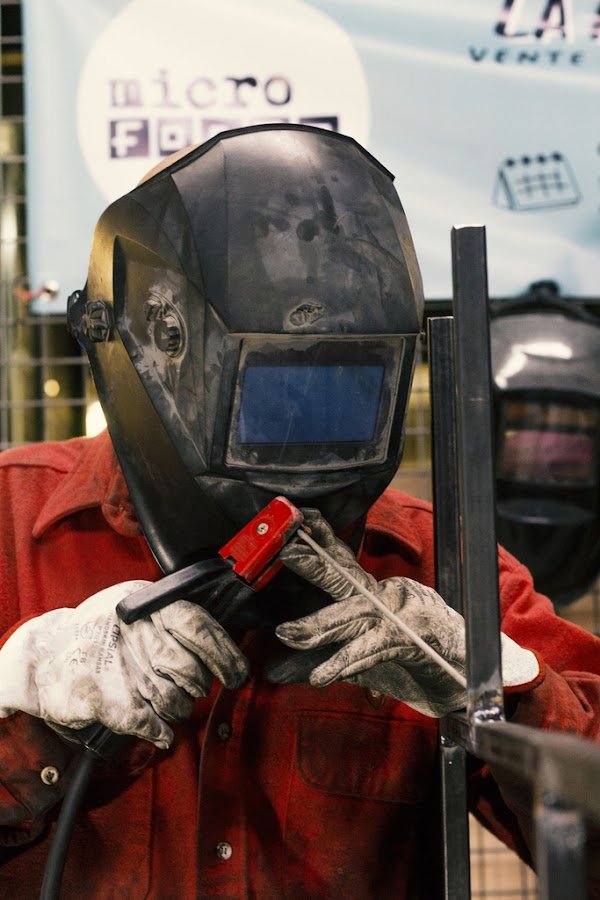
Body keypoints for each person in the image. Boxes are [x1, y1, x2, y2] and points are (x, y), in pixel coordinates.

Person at [0, 124, 598, 899]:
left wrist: (498, 690)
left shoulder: (435, 565)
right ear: (149, 346)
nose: (299, 458)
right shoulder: (13, 529)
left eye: (344, 392)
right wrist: (33, 718)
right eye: (268, 396)